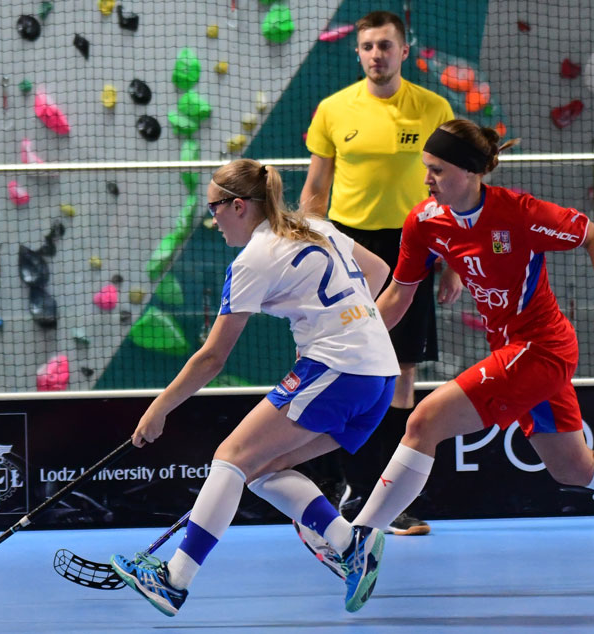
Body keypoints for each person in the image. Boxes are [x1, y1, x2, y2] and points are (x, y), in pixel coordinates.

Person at [308, 119, 594, 601]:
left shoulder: (520, 213)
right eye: (426, 168)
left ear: (470, 172)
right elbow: (399, 293)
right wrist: (354, 338)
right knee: (572, 467)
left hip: (541, 348)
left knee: (423, 421)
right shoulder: (424, 221)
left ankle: (360, 540)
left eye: (437, 170)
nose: (427, 179)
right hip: (509, 349)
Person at [110, 159, 399, 616]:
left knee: (230, 458)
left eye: (214, 208)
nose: (212, 219)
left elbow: (213, 357)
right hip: (380, 374)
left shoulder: (253, 259)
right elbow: (379, 271)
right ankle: (349, 544)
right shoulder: (314, 226)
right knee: (260, 469)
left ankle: (173, 580)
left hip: (338, 369)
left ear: (238, 206)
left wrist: (159, 408)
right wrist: (351, 327)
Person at [298, 9, 461, 537]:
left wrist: (452, 261)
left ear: (403, 51)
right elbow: (315, 190)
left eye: (385, 46)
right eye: (368, 46)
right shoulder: (333, 109)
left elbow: (449, 190)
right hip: (348, 249)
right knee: (336, 363)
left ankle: (383, 500)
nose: (376, 55)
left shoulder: (433, 108)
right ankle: (335, 484)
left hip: (413, 246)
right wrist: (307, 255)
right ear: (358, 52)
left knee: (401, 372)